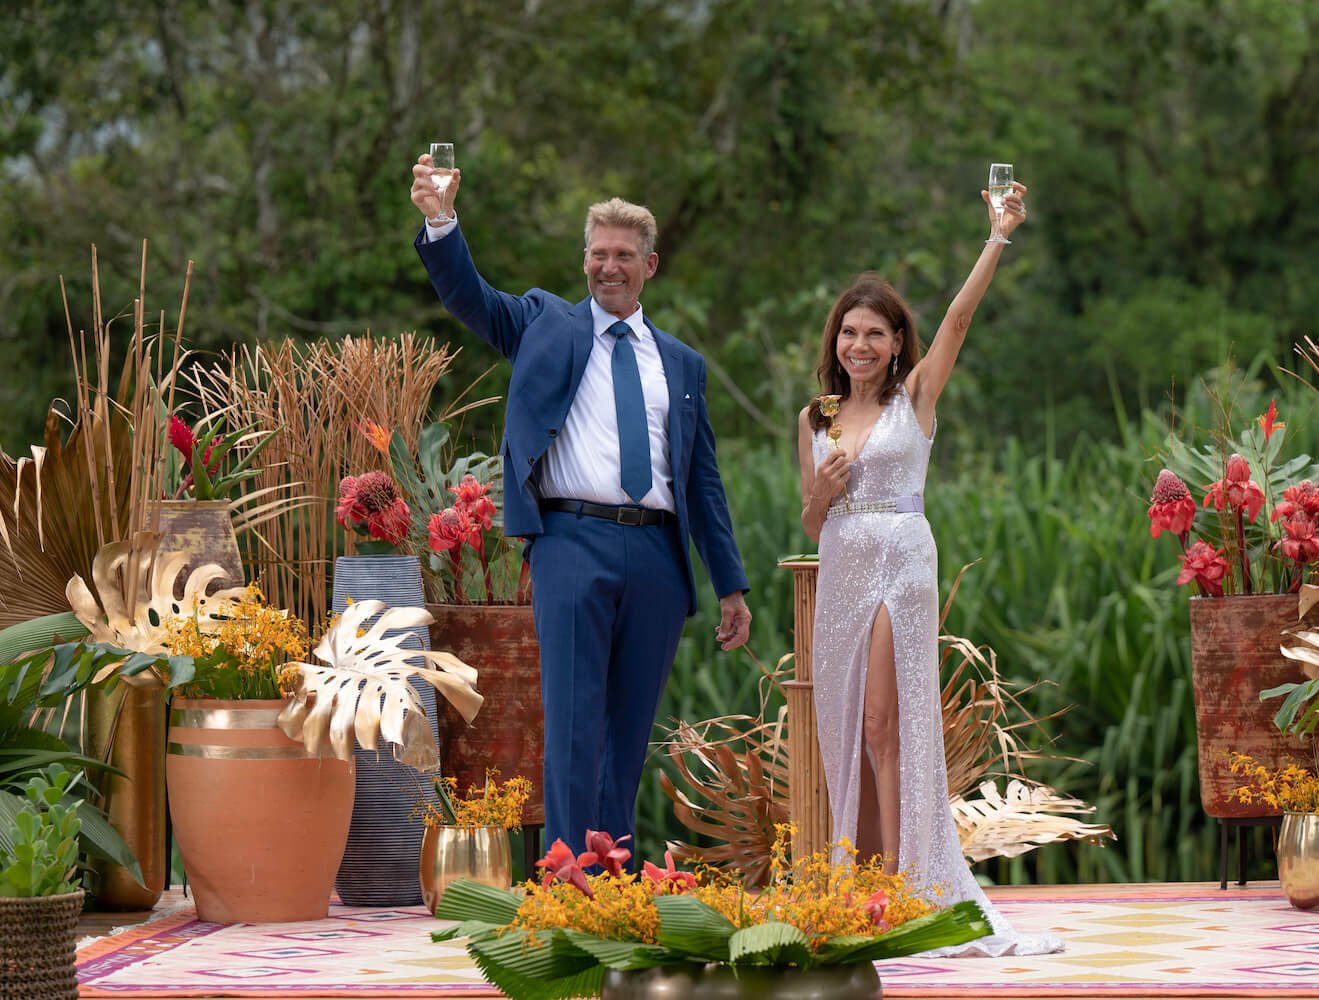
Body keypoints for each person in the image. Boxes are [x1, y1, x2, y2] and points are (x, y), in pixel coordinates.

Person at [409, 155, 752, 859]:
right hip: (570, 540)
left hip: (658, 554)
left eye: (624, 255)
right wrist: (441, 220)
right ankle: (567, 883)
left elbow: (703, 481)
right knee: (571, 726)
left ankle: (613, 884)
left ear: (650, 265)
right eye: (598, 254)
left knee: (627, 735)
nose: (609, 267)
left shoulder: (680, 364)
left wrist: (731, 585)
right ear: (584, 261)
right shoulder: (545, 324)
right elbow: (469, 295)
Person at [797, 182, 1060, 956]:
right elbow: (811, 525)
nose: (862, 346)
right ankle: (865, 881)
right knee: (848, 730)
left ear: (896, 341)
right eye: (850, 332)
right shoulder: (814, 417)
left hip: (901, 562)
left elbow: (960, 319)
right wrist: (823, 490)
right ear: (836, 341)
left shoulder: (916, 398)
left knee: (886, 724)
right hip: (842, 566)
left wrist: (998, 236)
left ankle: (911, 888)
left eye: (876, 332)